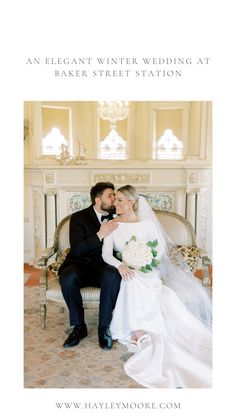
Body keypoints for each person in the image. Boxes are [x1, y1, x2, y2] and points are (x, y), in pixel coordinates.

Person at [102, 185, 212, 388]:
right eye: (114, 199)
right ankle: (139, 332)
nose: (114, 203)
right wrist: (121, 265)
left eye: (119, 200)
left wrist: (145, 260)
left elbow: (159, 250)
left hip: (148, 270)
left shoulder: (147, 225)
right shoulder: (112, 225)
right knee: (131, 280)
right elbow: (106, 254)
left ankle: (138, 331)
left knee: (140, 279)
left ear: (131, 203)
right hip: (127, 270)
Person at [58, 182, 121, 350]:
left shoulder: (118, 215)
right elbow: (77, 250)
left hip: (104, 266)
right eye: (110, 196)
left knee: (112, 275)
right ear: (97, 199)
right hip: (80, 265)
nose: (114, 199)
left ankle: (104, 328)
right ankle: (79, 327)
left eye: (115, 195)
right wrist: (101, 233)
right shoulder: (79, 218)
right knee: (68, 277)